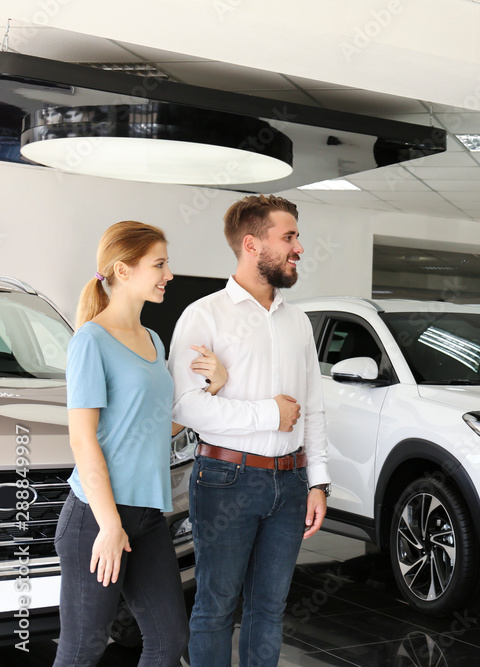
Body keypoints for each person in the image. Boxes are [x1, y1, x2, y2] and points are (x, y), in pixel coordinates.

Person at [168, 194, 331, 667]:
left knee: (270, 609)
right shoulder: (204, 315)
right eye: (289, 237)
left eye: (297, 236)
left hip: (292, 482)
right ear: (251, 244)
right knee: (216, 607)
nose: (299, 247)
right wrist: (268, 415)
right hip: (226, 480)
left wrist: (318, 481)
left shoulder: (298, 321)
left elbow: (313, 408)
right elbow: (185, 406)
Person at [55, 221, 226, 666]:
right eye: (159, 264)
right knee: (83, 649)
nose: (169, 274)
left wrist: (212, 388)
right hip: (96, 518)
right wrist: (110, 525)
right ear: (123, 270)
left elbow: (156, 426)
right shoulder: (90, 341)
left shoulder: (152, 339)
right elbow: (82, 440)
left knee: (170, 639)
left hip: (147, 516)